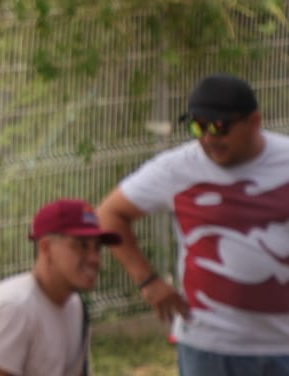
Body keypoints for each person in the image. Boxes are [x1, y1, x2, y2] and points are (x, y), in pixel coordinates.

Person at [96, 73, 289, 376]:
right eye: (198, 126)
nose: (209, 138)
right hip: (209, 346)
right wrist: (147, 281)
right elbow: (109, 215)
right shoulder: (176, 169)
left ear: (254, 121)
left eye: (219, 126)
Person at [0, 199, 120, 375]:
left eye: (97, 248)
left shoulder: (73, 305)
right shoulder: (12, 309)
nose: (94, 258)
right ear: (46, 248)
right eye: (81, 246)